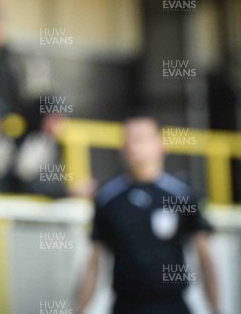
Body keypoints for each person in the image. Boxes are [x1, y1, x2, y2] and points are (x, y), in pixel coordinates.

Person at [77, 117, 219, 314]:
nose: (132, 146)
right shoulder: (108, 198)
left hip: (171, 306)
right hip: (125, 307)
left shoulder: (182, 195)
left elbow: (204, 256)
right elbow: (94, 261)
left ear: (161, 145)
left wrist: (216, 308)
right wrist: (79, 309)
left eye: (140, 139)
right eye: (127, 140)